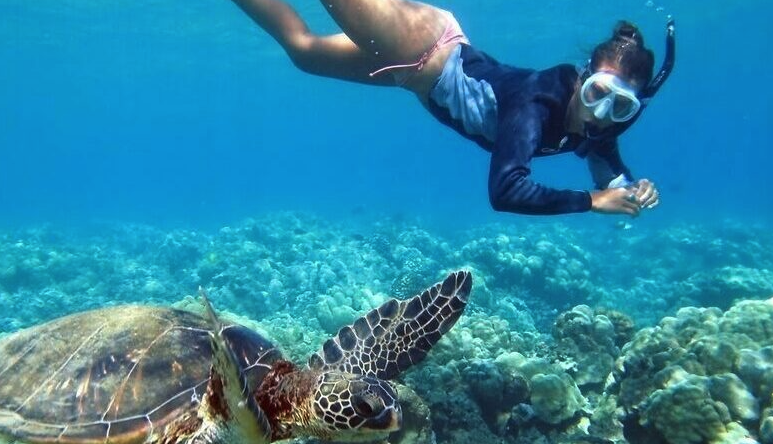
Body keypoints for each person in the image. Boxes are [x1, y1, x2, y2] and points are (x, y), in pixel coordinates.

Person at [228, 0, 675, 216]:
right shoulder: (537, 104)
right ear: (582, 77)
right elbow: (506, 191)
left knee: (304, 52)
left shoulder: (599, 129)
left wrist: (630, 187)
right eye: (597, 93)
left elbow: (603, 159)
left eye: (619, 106)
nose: (600, 114)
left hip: (413, 77)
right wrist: (595, 201)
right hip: (424, 46)